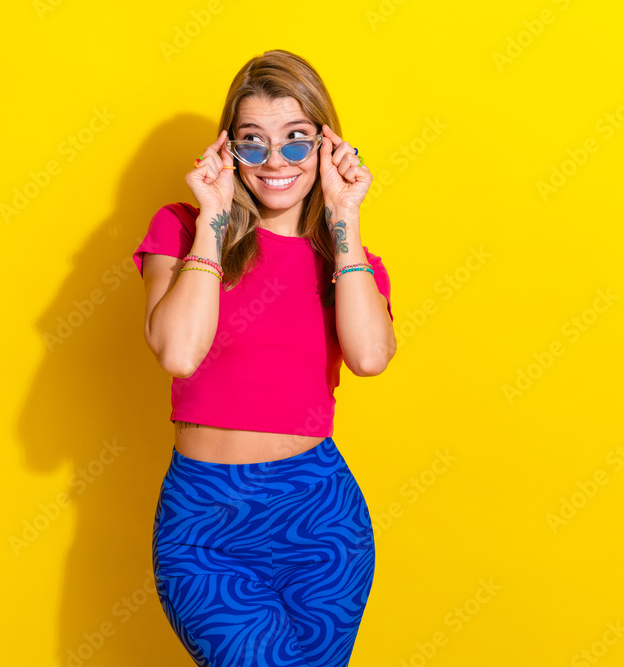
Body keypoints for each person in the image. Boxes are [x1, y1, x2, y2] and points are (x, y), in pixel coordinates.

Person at [132, 49, 396, 667]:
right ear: (228, 150)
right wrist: (214, 222)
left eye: (297, 140)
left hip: (318, 517)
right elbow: (177, 350)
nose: (275, 161)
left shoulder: (349, 262)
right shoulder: (180, 228)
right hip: (205, 523)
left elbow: (369, 357)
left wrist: (344, 219)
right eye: (253, 142)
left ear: (328, 148)